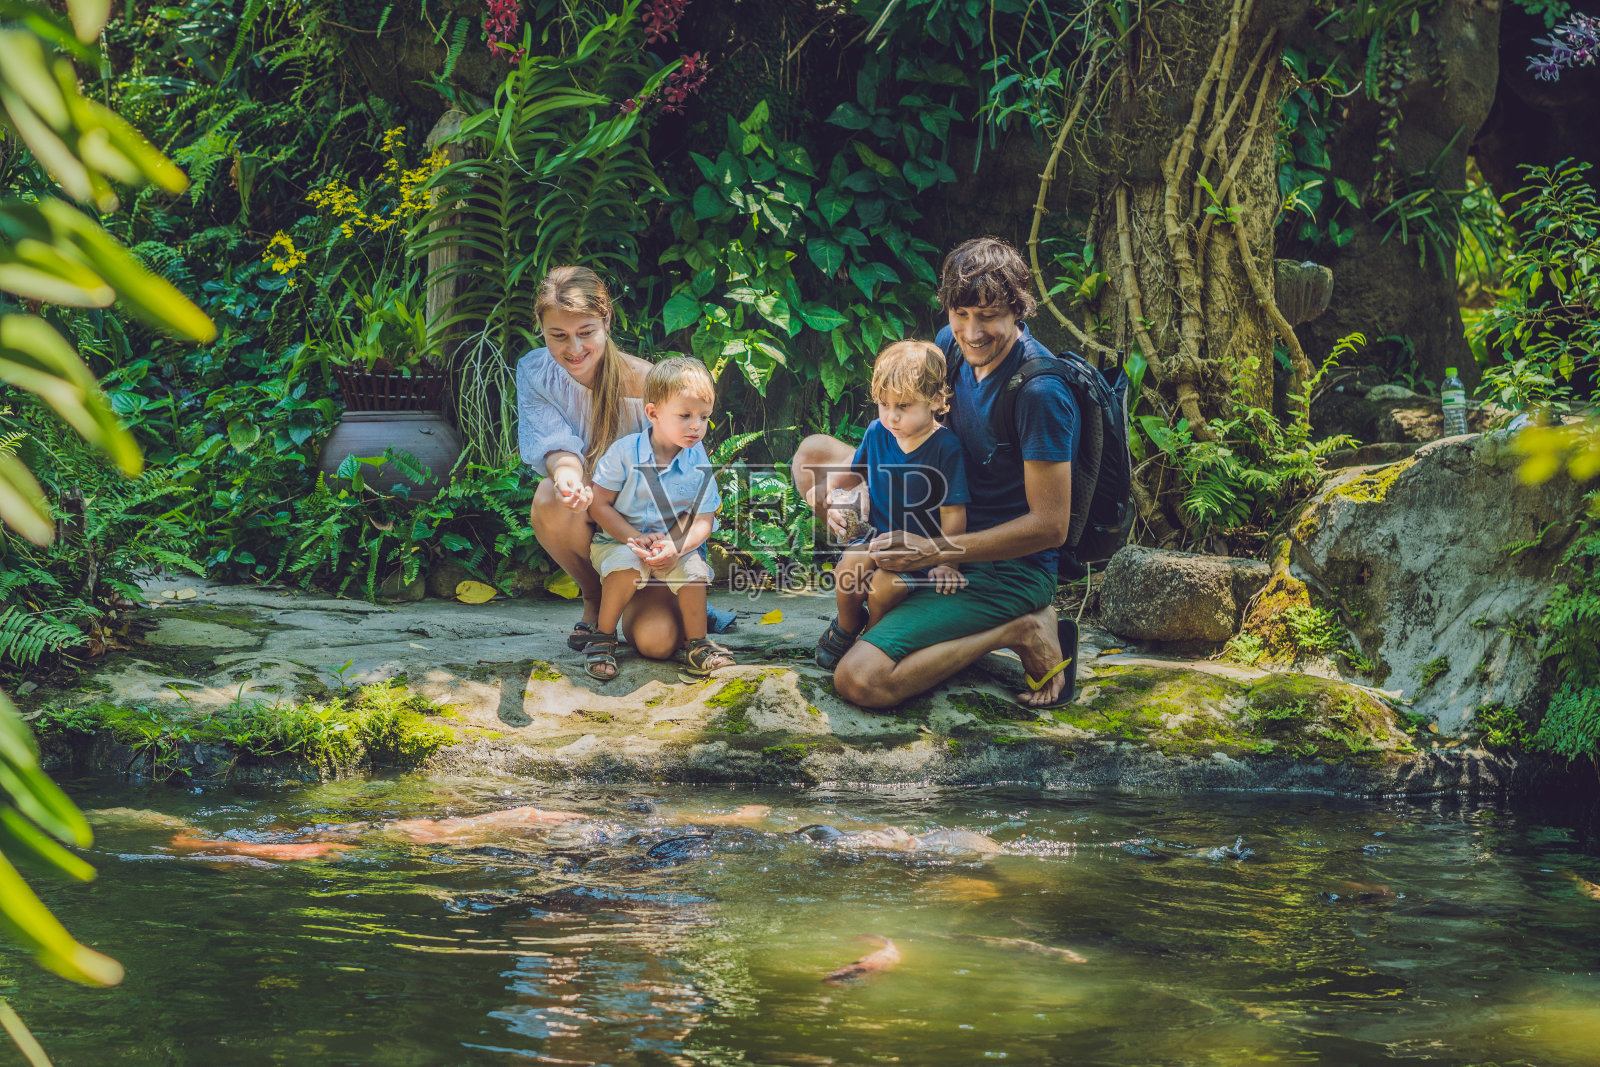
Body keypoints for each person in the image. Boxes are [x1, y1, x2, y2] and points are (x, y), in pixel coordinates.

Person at [791, 237, 1078, 710]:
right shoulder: (953, 347)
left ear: (1018, 310)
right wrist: (853, 496)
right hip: (934, 518)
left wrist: (935, 550)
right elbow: (921, 438)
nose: (972, 332)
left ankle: (1020, 629)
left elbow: (1052, 527)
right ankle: (897, 608)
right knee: (812, 457)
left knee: (859, 679)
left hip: (1005, 565)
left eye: (988, 316)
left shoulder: (1039, 392)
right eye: (961, 314)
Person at [519, 266, 733, 663]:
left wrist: (673, 543)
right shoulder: (536, 371)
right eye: (558, 336)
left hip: (663, 529)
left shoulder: (650, 385)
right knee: (552, 495)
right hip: (607, 526)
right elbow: (553, 443)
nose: (574, 349)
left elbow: (690, 486)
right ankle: (595, 600)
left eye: (586, 332)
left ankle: (670, 612)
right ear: (541, 329)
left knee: (657, 642)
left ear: (606, 321)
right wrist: (568, 477)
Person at [813, 340, 970, 670]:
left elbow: (954, 513)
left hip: (920, 554)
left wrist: (948, 563)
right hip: (878, 538)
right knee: (847, 569)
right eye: (884, 404)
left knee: (884, 589)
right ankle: (847, 624)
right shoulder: (876, 432)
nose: (891, 416)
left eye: (904, 405)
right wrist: (830, 490)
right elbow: (854, 471)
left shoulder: (946, 448)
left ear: (937, 402)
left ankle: (874, 637)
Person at [582, 357, 734, 680]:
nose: (697, 426)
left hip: (672, 546)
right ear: (653, 414)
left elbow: (703, 521)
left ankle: (698, 644)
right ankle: (603, 636)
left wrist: (677, 547)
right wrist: (632, 537)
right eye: (686, 416)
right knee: (625, 563)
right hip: (621, 541)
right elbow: (598, 506)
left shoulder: (698, 461)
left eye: (704, 417)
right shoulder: (624, 453)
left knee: (694, 569)